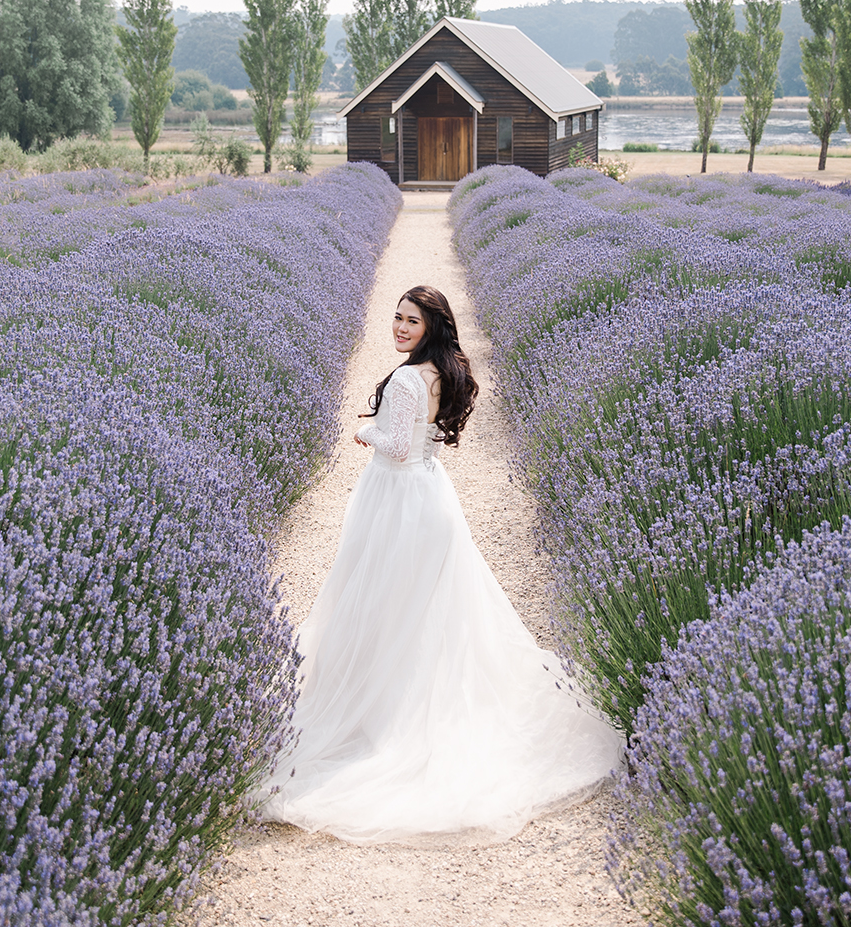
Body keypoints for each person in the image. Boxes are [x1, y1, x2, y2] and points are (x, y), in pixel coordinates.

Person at [260, 285, 624, 844]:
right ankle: (409, 702)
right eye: (397, 318)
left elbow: (395, 447)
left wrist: (362, 428)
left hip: (398, 500)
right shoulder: (445, 369)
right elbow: (421, 442)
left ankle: (385, 717)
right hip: (430, 497)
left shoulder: (408, 378)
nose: (401, 328)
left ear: (432, 324)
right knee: (427, 610)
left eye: (412, 320)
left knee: (386, 603)